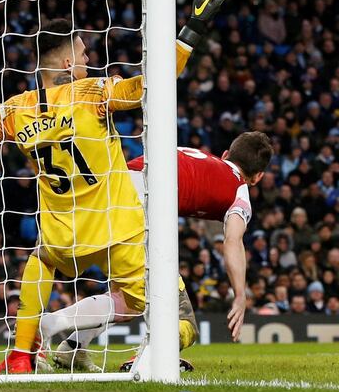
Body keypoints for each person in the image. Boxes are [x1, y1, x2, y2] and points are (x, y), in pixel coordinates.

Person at [0, 0, 225, 374]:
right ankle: (147, 357)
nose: (87, 59)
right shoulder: (94, 94)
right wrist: (192, 31)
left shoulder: (17, 111)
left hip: (64, 238)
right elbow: (153, 83)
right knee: (183, 322)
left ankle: (21, 355)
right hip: (120, 234)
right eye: (83, 52)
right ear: (67, 64)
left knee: (40, 262)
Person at [43, 131, 272, 371]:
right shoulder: (239, 190)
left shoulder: (197, 156)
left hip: (103, 194)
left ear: (226, 154)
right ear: (257, 177)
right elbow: (233, 241)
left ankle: (73, 348)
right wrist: (240, 296)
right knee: (184, 323)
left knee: (128, 298)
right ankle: (51, 326)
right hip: (133, 210)